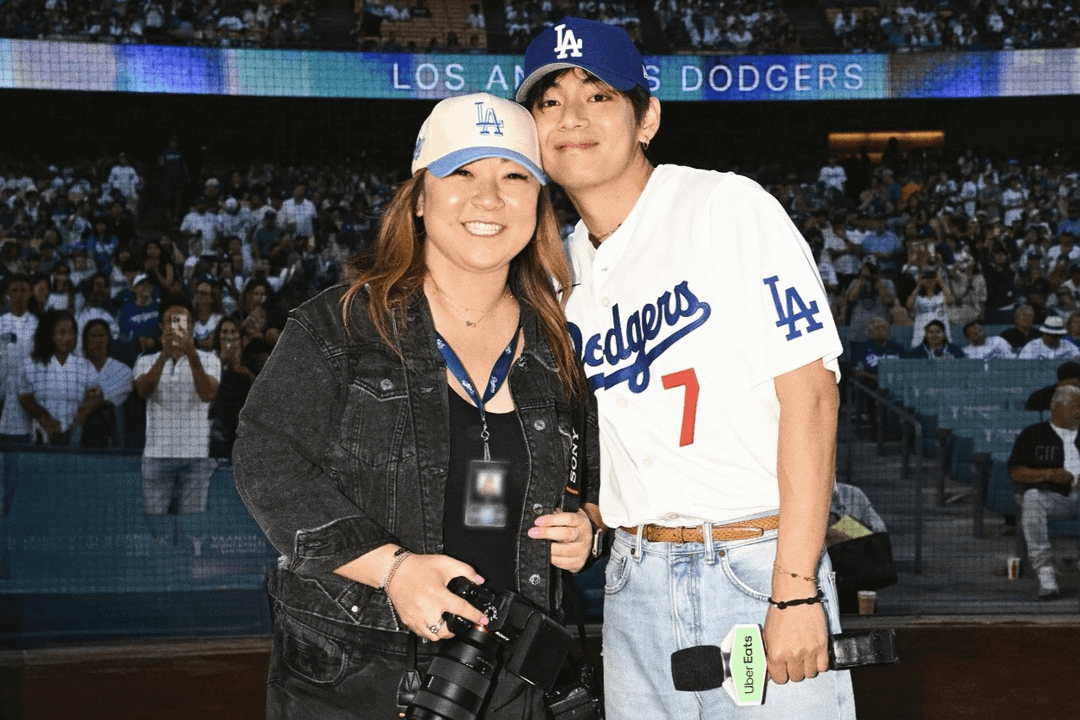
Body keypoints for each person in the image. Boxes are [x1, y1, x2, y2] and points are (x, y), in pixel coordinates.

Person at [517, 18, 854, 719]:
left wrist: (794, 589)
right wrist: (591, 518)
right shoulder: (556, 274)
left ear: (647, 118)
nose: (572, 116)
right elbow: (626, 439)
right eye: (549, 102)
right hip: (633, 579)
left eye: (598, 94)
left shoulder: (725, 206)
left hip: (757, 560)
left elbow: (812, 398)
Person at [233, 92, 601, 720]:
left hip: (512, 679)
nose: (489, 197)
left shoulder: (561, 341)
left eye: (514, 175)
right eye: (462, 171)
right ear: (420, 197)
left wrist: (591, 531)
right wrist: (395, 571)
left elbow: (593, 485)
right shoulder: (340, 324)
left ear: (538, 202)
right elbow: (266, 460)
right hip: (356, 671)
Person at [134, 297, 221, 547]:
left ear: (192, 325)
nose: (177, 327)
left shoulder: (209, 359)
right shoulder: (145, 359)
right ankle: (158, 568)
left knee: (192, 527)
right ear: (162, 325)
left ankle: (192, 572)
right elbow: (143, 390)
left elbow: (208, 393)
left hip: (195, 455)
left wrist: (190, 353)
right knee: (155, 527)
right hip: (157, 454)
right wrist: (164, 354)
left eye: (182, 321)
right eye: (171, 321)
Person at [1007, 385, 1080, 599]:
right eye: (1076, 407)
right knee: (1031, 498)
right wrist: (1049, 474)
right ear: (1057, 408)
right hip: (1053, 498)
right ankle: (1045, 572)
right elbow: (1015, 473)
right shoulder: (1033, 434)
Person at [16, 310, 100, 446]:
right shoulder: (30, 365)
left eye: (71, 332)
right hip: (40, 439)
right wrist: (45, 419)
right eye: (62, 332)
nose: (68, 337)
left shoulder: (84, 365)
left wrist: (80, 416)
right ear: (50, 334)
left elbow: (95, 394)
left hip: (76, 439)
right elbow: (24, 397)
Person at [79, 318, 134, 448]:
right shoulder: (76, 369)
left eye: (102, 335)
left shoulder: (123, 370)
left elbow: (103, 399)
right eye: (93, 336)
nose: (98, 340)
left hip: (111, 435)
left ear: (109, 339)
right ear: (86, 341)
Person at [0, 274, 39, 445]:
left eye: (23, 290)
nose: (18, 295)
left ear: (30, 292)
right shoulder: (0, 322)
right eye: (14, 290)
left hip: (28, 396)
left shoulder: (39, 324)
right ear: (8, 292)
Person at [905, 266, 954, 348]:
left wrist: (940, 281)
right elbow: (909, 305)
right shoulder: (917, 296)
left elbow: (950, 301)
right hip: (921, 331)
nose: (929, 280)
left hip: (940, 332)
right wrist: (919, 284)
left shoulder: (942, 294)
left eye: (932, 277)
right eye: (925, 278)